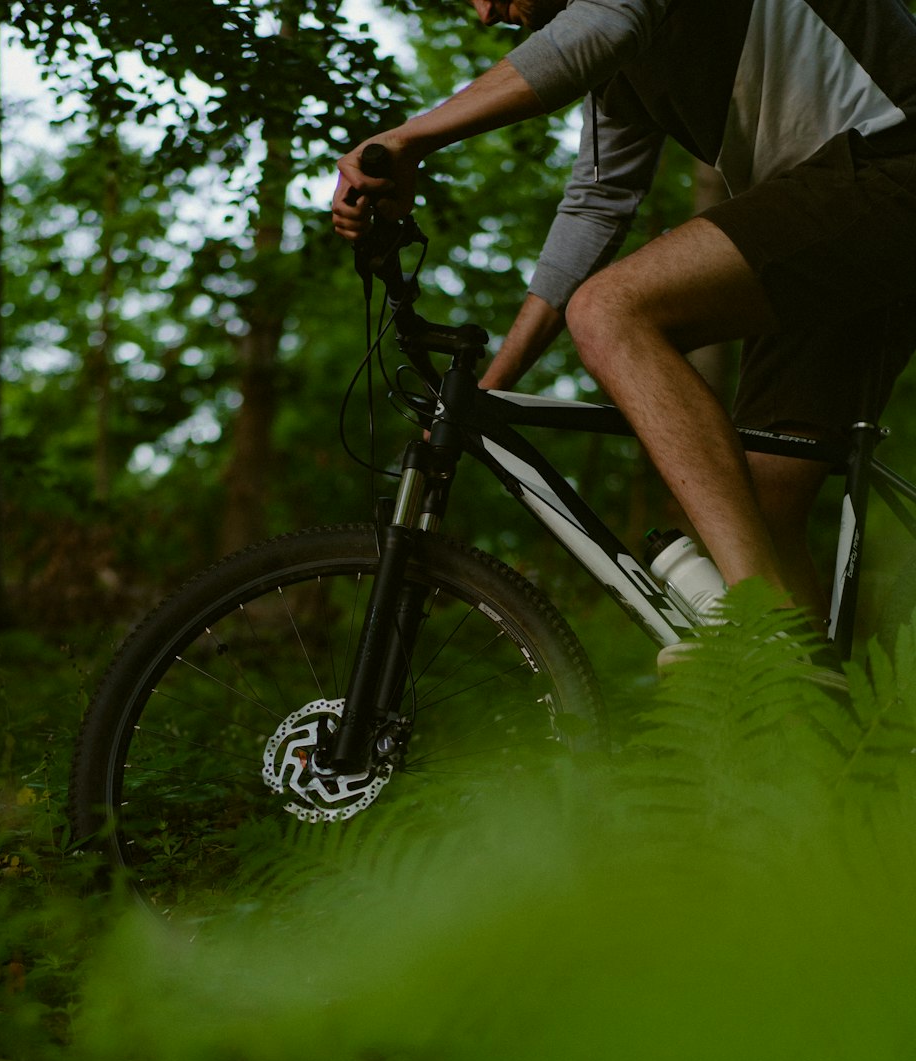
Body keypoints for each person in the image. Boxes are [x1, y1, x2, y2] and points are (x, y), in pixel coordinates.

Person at [333, 0, 916, 624]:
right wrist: (488, 389)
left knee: (613, 310)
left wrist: (409, 137)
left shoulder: (615, 21)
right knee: (758, 504)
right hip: (830, 227)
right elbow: (598, 202)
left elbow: (604, 26)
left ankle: (758, 623)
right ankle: (803, 703)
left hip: (891, 161)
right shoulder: (622, 71)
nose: (484, 15)